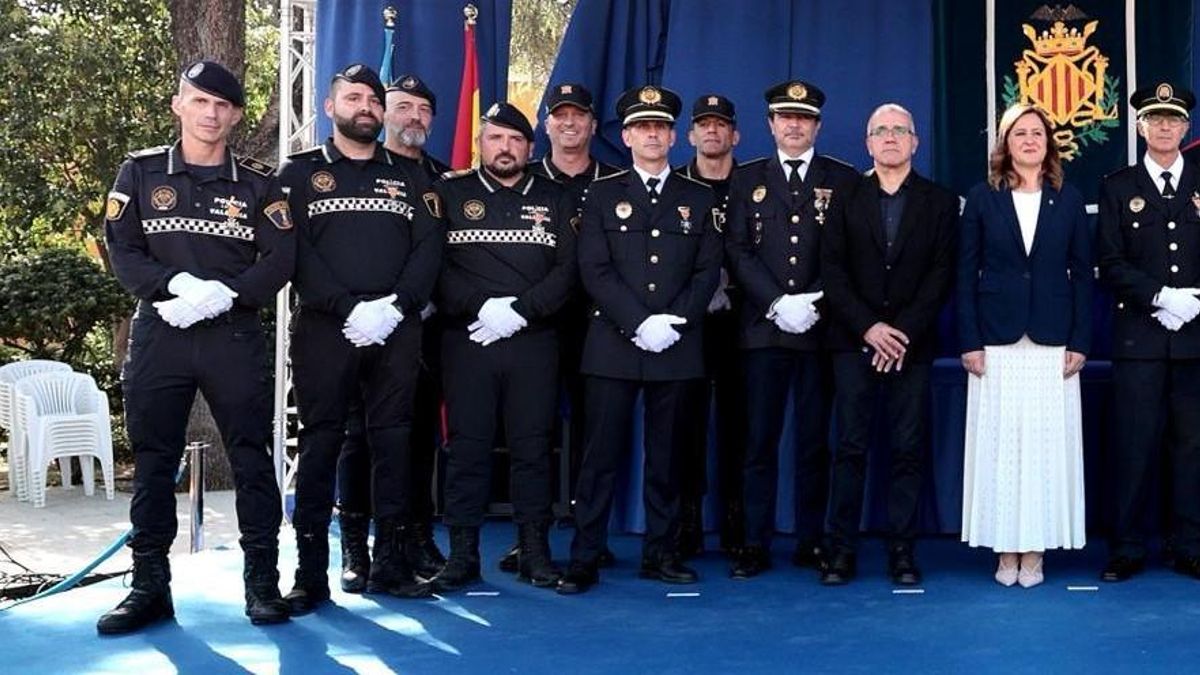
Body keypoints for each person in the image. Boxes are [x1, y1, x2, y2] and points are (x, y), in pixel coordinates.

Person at [99, 60, 294, 633]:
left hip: (231, 335)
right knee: (155, 460)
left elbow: (281, 257)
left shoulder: (260, 182)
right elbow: (124, 249)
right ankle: (149, 587)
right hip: (162, 331)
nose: (211, 114)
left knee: (251, 457)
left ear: (235, 115)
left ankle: (262, 583)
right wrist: (173, 287)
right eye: (200, 101)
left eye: (222, 105)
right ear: (178, 105)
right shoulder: (138, 173)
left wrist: (227, 295)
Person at [280, 64, 443, 612]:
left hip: (397, 328)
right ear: (330, 108)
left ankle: (392, 565)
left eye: (373, 99)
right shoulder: (298, 174)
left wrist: (396, 306)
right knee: (324, 442)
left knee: (393, 442)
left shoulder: (410, 175)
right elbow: (294, 252)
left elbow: (429, 248)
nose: (365, 107)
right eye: (353, 98)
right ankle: (310, 574)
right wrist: (350, 307)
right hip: (327, 328)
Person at [556, 85, 723, 594]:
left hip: (677, 345)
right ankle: (585, 555)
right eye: (642, 127)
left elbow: (707, 268)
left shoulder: (699, 197)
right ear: (626, 135)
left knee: (668, 457)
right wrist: (638, 322)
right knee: (599, 457)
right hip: (613, 342)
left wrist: (674, 322)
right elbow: (594, 268)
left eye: (661, 127)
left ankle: (662, 552)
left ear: (674, 136)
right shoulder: (602, 195)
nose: (652, 134)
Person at [427, 103, 578, 592]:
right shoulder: (450, 192)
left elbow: (570, 271)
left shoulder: (556, 197)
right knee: (467, 449)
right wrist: (480, 308)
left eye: (515, 140)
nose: (505, 148)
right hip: (469, 341)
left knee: (533, 450)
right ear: (480, 144)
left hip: (534, 341)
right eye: (495, 138)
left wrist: (520, 312)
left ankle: (535, 553)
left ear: (530, 148)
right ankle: (463, 555)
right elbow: (434, 265)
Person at [724, 79, 859, 579]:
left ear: (818, 126)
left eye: (804, 118)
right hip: (764, 328)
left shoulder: (843, 179)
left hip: (821, 331)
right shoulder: (747, 178)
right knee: (759, 442)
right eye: (786, 116)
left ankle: (811, 540)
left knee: (813, 441)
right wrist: (778, 300)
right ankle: (754, 543)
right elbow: (736, 249)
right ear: (771, 124)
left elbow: (850, 254)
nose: (795, 124)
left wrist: (815, 299)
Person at [819, 104, 957, 585]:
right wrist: (870, 329)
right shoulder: (844, 196)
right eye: (881, 130)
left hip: (911, 346)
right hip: (854, 343)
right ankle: (840, 551)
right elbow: (831, 272)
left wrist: (900, 333)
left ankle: (902, 550)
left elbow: (941, 275)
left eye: (901, 130)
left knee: (907, 449)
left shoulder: (939, 203)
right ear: (868, 143)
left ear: (915, 142)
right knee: (850, 448)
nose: (891, 137)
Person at [491, 83, 622, 575]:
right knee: (532, 435)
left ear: (593, 125)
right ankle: (532, 537)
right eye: (560, 116)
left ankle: (592, 535)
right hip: (536, 325)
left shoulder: (616, 180)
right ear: (546, 126)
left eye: (579, 116)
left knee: (596, 437)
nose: (569, 124)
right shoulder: (523, 179)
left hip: (600, 327)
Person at [958, 103, 1092, 588]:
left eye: (1038, 133)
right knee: (1002, 447)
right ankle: (1005, 549)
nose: (1030, 140)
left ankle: (1034, 550)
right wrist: (969, 340)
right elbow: (964, 273)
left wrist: (1080, 340)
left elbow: (1082, 275)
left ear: (1049, 143)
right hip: (996, 341)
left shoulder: (1069, 198)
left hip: (1052, 342)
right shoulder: (981, 197)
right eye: (1020, 134)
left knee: (1042, 447)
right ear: (1005, 143)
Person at [333, 73, 449, 594]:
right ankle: (355, 546)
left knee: (419, 436)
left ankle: (412, 537)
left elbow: (445, 255)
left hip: (425, 331)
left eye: (424, 110)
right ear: (384, 115)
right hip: (363, 328)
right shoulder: (356, 169)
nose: (414, 118)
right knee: (357, 439)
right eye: (403, 107)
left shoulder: (446, 180)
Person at [1097, 83, 1200, 582]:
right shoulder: (1118, 186)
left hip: (1196, 337)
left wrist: (1192, 303)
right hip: (1139, 336)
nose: (1164, 127)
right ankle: (1128, 546)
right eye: (1155, 119)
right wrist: (1160, 296)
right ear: (1139, 125)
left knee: (1192, 446)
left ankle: (1190, 545)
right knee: (1134, 446)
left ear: (1186, 127)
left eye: (1173, 120)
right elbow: (1109, 261)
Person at [673, 93, 747, 558]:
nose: (713, 132)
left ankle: (738, 524)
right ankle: (687, 522)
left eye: (721, 125)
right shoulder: (675, 185)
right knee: (686, 424)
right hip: (689, 321)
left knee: (741, 426)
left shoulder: (756, 183)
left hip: (745, 320)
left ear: (735, 135)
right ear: (691, 135)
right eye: (704, 125)